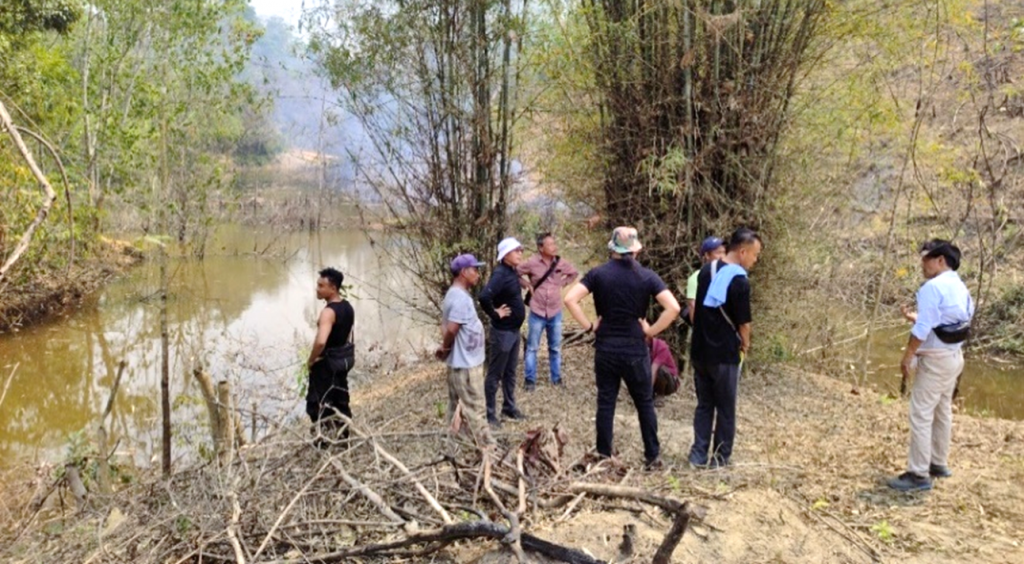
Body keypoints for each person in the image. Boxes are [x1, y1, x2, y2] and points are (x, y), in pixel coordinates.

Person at [564, 226, 681, 469]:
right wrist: (650, 330)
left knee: (606, 401)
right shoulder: (647, 276)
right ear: (636, 251)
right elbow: (674, 308)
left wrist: (589, 326)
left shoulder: (598, 274)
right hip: (635, 350)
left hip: (606, 348)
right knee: (644, 403)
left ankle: (604, 454)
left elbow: (570, 299)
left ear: (612, 249)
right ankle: (652, 457)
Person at [888, 240, 973, 492]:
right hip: (953, 358)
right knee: (942, 411)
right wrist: (917, 318)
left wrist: (908, 355)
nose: (922, 265)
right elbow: (948, 322)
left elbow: (924, 328)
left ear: (939, 261)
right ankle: (938, 463)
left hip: (935, 361)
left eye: (926, 259)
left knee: (921, 413)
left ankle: (918, 474)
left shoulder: (932, 288)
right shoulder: (959, 286)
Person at [688, 227, 762, 468]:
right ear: (742, 251)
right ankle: (720, 459)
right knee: (726, 408)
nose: (755, 260)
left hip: (700, 351)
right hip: (725, 355)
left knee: (704, 405)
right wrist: (746, 346)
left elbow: (697, 311)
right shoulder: (739, 280)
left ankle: (697, 455)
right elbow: (744, 323)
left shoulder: (704, 272)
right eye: (754, 254)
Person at [436, 254, 495, 447]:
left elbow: (445, 326)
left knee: (455, 405)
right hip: (466, 365)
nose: (478, 274)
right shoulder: (460, 298)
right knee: (476, 406)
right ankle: (487, 446)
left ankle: (452, 442)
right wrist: (445, 347)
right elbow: (451, 329)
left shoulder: (455, 294)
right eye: (474, 270)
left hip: (461, 362)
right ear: (463, 272)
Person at [517, 232, 579, 391]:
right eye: (550, 244)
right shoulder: (531, 262)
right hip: (537, 310)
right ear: (540, 248)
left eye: (554, 243)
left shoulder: (560, 262)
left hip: (555, 310)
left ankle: (556, 378)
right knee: (532, 347)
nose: (554, 247)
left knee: (555, 347)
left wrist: (562, 283)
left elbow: (574, 273)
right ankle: (530, 380)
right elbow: (515, 272)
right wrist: (525, 284)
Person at [479, 237, 528, 427]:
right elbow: (484, 296)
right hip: (503, 332)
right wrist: (495, 313)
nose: (520, 253)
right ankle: (490, 414)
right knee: (495, 374)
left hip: (513, 331)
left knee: (510, 372)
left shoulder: (510, 271)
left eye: (520, 250)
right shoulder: (500, 273)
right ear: (506, 254)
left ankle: (509, 407)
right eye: (516, 250)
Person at [306, 267, 356, 441]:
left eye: (321, 286)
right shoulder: (347, 307)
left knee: (318, 403)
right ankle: (344, 437)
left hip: (326, 364)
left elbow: (321, 341)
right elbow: (346, 334)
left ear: (333, 288)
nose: (317, 289)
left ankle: (323, 441)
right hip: (342, 361)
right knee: (341, 399)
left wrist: (311, 360)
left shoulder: (328, 312)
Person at [686, 237, 726, 324]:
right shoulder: (695, 278)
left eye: (724, 252)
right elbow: (693, 306)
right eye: (718, 252)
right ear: (707, 255)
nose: (722, 256)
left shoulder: (728, 276)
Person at [649, 337, 680, 402]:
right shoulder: (646, 348)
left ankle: (660, 396)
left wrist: (646, 391)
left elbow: (654, 369)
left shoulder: (662, 347)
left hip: (670, 383)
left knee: (660, 369)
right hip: (654, 380)